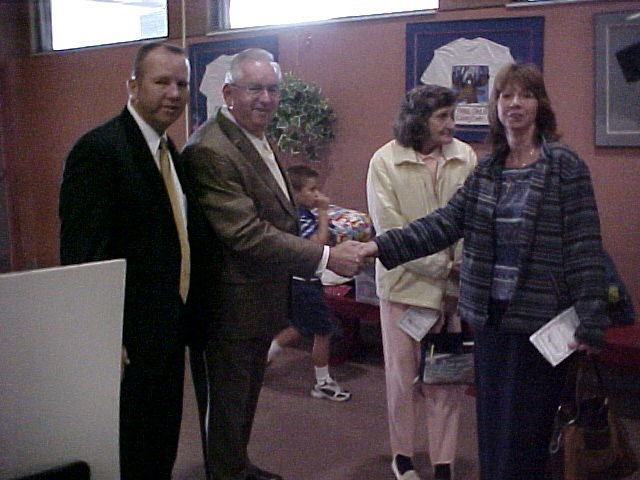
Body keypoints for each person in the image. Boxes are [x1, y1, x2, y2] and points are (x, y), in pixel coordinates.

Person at [359, 63, 608, 480]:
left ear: (540, 104)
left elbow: (584, 244)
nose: (514, 104)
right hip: (491, 319)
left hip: (540, 320)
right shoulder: (490, 169)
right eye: (505, 95)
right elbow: (443, 223)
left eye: (525, 95)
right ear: (495, 106)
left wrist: (592, 318)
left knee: (529, 430)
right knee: (492, 425)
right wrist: (378, 246)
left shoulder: (564, 164)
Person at [180, 48, 363, 480]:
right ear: (229, 94)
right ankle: (226, 473)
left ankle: (237, 467)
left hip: (259, 300)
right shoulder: (210, 149)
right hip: (228, 307)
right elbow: (245, 233)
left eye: (272, 89)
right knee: (227, 406)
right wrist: (325, 256)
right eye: (255, 89)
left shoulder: (255, 136)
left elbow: (278, 211)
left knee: (243, 400)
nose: (266, 98)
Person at [59, 42, 204, 479]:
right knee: (129, 450)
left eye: (182, 83)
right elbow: (83, 255)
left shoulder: (168, 151)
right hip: (127, 341)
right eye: (161, 82)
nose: (174, 93)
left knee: (160, 443)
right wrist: (104, 335)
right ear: (133, 86)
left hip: (168, 329)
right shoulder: (99, 151)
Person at [366, 85, 477, 480]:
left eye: (452, 115)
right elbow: (390, 231)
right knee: (401, 380)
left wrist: (461, 264)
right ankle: (403, 456)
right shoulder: (384, 161)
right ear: (418, 120)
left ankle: (444, 462)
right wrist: (443, 266)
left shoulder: (465, 156)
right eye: (442, 117)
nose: (451, 124)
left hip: (451, 293)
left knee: (446, 380)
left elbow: (473, 218)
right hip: (403, 287)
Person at [267, 165, 351, 402]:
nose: (317, 195)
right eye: (311, 190)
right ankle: (322, 382)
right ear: (295, 193)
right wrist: (323, 212)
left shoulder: (297, 214)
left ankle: (265, 356)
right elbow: (316, 246)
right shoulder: (300, 217)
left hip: (298, 281)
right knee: (323, 330)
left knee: (301, 326)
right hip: (304, 282)